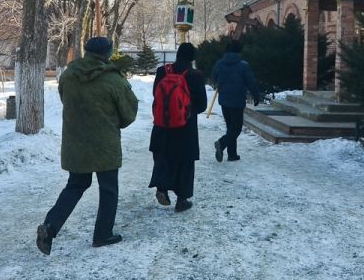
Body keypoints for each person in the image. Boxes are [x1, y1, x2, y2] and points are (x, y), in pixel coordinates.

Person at [36, 36, 138, 255]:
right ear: (108, 53)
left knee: (76, 185)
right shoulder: (113, 79)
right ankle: (103, 234)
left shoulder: (69, 75)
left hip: (76, 142)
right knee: (108, 189)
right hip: (105, 144)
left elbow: (65, 100)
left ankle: (50, 227)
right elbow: (129, 113)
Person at [148, 43, 208, 212]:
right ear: (193, 58)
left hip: (162, 124)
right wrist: (187, 111)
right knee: (185, 162)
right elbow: (202, 105)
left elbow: (155, 93)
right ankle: (182, 199)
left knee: (162, 156)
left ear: (177, 54)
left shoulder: (163, 71)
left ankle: (162, 188)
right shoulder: (195, 75)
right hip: (185, 127)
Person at [210, 39, 262, 163]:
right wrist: (256, 96)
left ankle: (232, 154)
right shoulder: (243, 65)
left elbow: (213, 77)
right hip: (237, 101)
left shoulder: (219, 63)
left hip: (224, 100)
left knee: (230, 127)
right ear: (239, 51)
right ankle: (221, 143)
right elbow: (251, 82)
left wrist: (220, 84)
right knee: (236, 128)